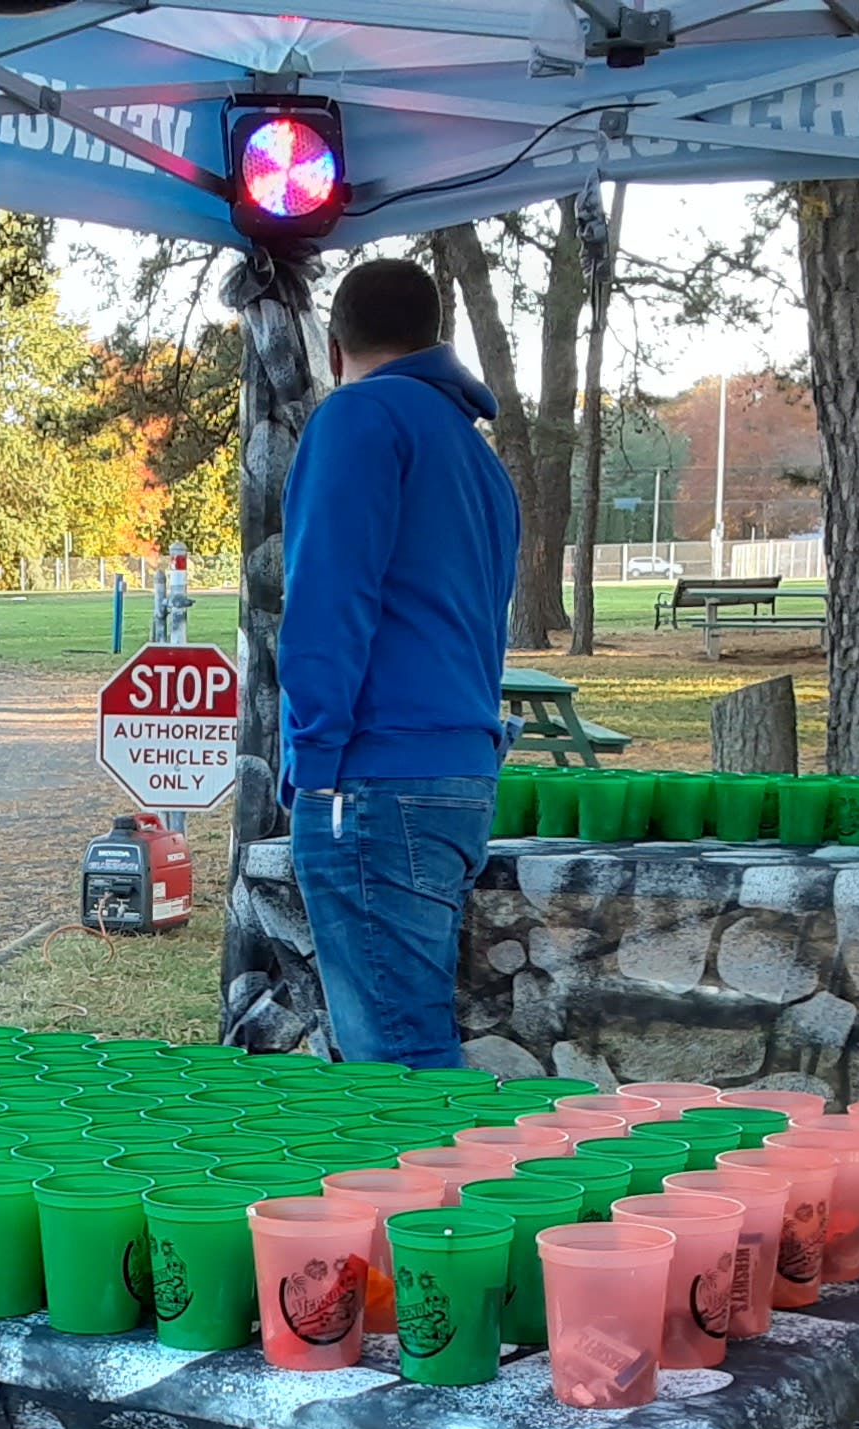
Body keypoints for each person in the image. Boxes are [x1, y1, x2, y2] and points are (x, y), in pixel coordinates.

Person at [275, 256, 520, 1068]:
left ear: (333, 349)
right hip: (458, 771)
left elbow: (326, 604)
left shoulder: (358, 419)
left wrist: (313, 771)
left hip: (373, 779)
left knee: (397, 1069)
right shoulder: (476, 456)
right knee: (410, 1043)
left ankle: (441, 1161)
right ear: (432, 337)